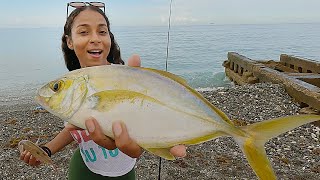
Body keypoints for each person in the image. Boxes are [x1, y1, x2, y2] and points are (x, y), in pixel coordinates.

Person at [20, 3, 186, 180]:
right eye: (84, 32)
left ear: (109, 38)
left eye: (102, 31)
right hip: (83, 167)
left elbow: (149, 111)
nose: (95, 38)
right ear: (69, 41)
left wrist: (169, 129)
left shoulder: (126, 78)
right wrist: (47, 149)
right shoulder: (72, 87)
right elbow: (73, 127)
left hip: (123, 172)